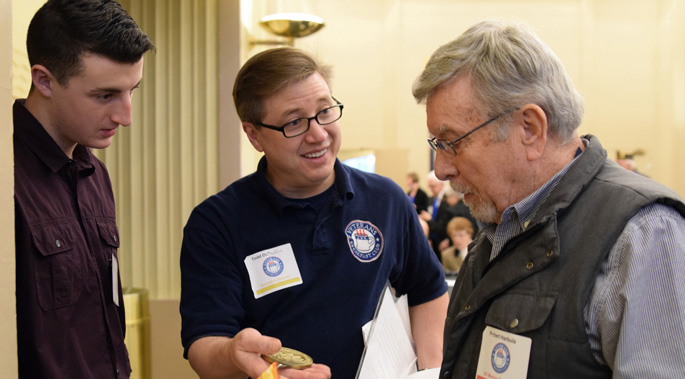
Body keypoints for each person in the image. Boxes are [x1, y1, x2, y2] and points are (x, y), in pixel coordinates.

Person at [412, 20, 685, 378]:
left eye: (452, 142)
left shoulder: (645, 234)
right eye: (436, 146)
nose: (442, 169)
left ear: (530, 128)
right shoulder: (501, 222)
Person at [180, 47, 449, 379]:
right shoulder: (216, 223)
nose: (318, 134)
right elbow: (204, 345)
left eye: (325, 111)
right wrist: (236, 356)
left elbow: (427, 290)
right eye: (294, 122)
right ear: (254, 135)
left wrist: (431, 370)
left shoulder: (385, 200)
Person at [13, 0, 154, 377]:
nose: (125, 117)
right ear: (44, 80)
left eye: (132, 91)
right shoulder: (6, 176)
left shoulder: (94, 173)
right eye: (105, 95)